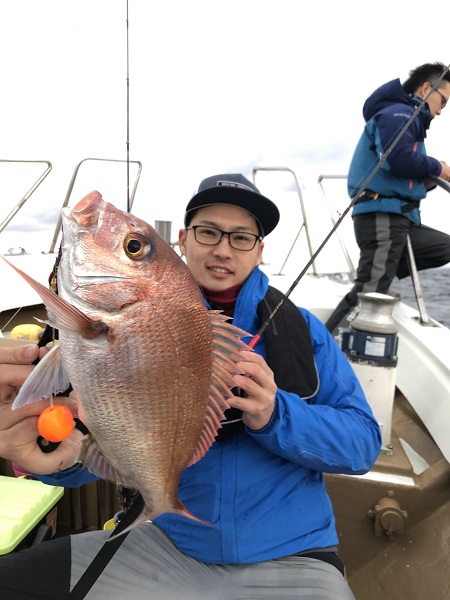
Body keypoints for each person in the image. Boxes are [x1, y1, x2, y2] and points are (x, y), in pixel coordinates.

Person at [0, 173, 381, 600]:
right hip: (167, 545)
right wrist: (54, 457)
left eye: (241, 238)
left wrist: (277, 414)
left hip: (296, 556)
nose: (222, 249)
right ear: (183, 239)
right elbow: (103, 442)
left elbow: (363, 445)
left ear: (259, 250)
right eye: (208, 232)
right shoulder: (113, 328)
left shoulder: (304, 331)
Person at [326, 62, 450, 334]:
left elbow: (401, 172)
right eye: (443, 101)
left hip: (401, 217)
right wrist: (438, 167)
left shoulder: (408, 119)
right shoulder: (398, 113)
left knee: (444, 248)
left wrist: (428, 180)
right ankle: (318, 350)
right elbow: (398, 159)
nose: (442, 110)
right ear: (426, 89)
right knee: (367, 292)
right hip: (382, 215)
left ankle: (383, 270)